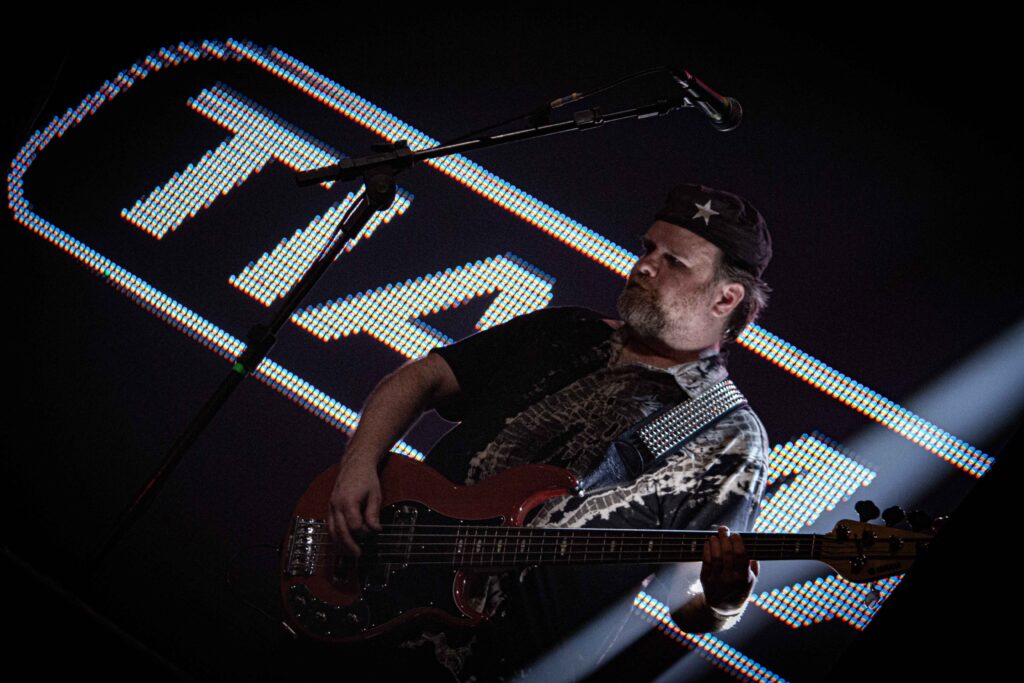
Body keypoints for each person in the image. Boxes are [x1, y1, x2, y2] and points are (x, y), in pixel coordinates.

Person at [327, 182, 773, 680]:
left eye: (675, 262)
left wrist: (723, 603)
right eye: (649, 248)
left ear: (725, 298)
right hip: (372, 599)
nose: (646, 266)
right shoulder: (566, 330)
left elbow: (687, 598)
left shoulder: (728, 435)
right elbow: (423, 377)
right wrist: (359, 464)